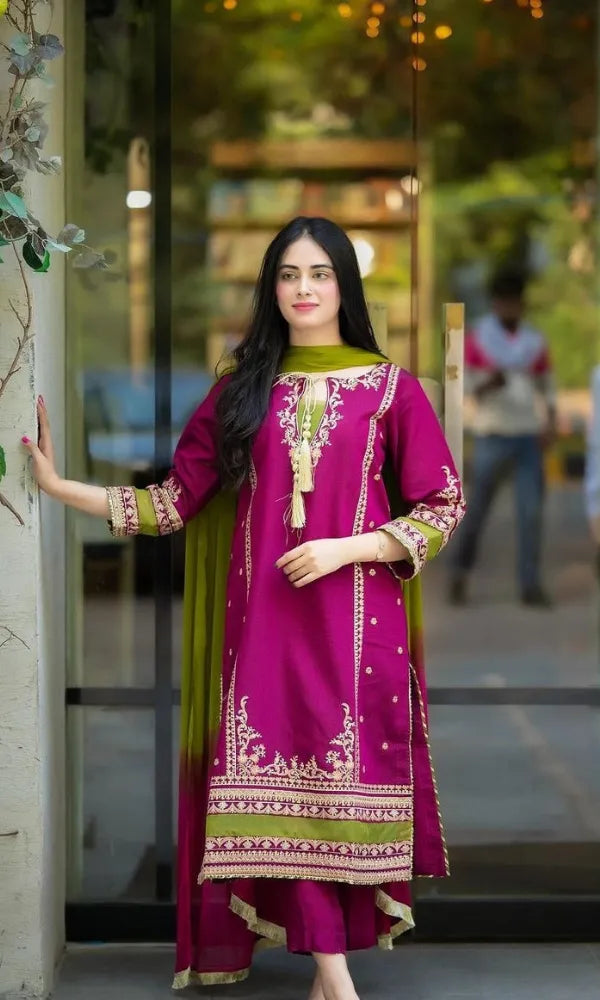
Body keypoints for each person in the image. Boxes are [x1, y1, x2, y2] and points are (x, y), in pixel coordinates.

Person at [23, 217, 464, 1000]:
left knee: (332, 797)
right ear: (271, 288)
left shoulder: (387, 388)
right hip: (263, 631)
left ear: (343, 287)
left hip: (356, 627)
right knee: (279, 797)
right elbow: (173, 500)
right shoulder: (242, 387)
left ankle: (331, 972)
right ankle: (334, 976)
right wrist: (65, 491)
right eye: (289, 275)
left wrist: (348, 549)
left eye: (320, 274)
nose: (303, 290)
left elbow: (442, 502)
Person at [448, 268, 556, 608]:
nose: (510, 310)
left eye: (515, 304)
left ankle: (530, 584)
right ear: (496, 304)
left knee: (530, 513)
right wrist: (485, 385)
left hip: (526, 435)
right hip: (492, 434)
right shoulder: (479, 339)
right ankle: (460, 574)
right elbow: (460, 386)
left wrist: (550, 422)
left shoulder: (533, 342)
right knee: (477, 510)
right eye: (505, 304)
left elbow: (546, 386)